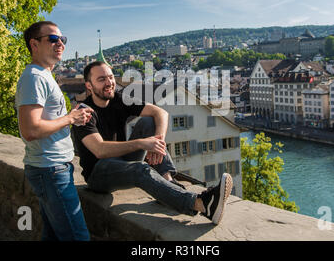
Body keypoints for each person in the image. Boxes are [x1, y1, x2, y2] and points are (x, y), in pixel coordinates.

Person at [71, 61, 233, 225]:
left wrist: (158, 142)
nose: (109, 83)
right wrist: (142, 144)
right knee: (140, 169)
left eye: (111, 77)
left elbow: (160, 112)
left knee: (149, 122)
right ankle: (201, 204)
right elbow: (100, 150)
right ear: (89, 86)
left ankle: (167, 181)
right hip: (99, 173)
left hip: (121, 160)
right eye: (101, 79)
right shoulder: (83, 113)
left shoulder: (118, 99)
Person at [15, 21, 93, 241]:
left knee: (53, 236)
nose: (60, 43)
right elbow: (30, 130)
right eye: (52, 39)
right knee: (77, 237)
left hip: (51, 167)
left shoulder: (44, 75)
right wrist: (69, 118)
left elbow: (44, 122)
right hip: (50, 169)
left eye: (62, 39)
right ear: (34, 44)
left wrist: (72, 119)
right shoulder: (34, 77)